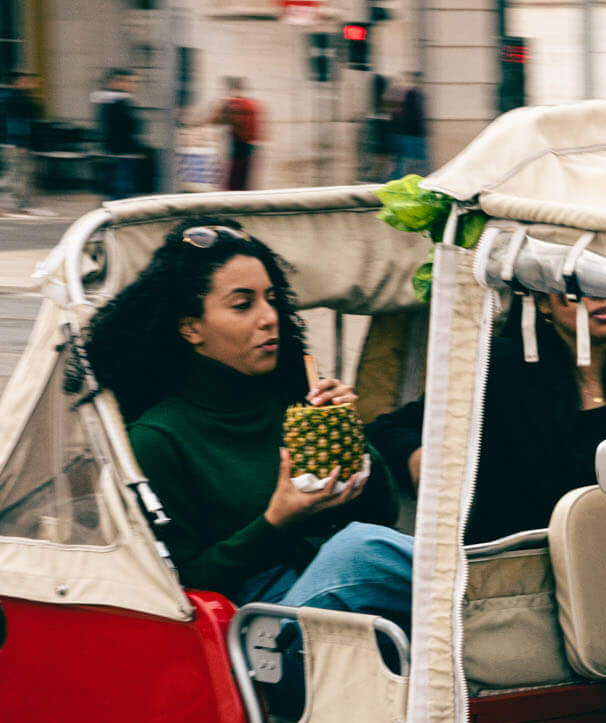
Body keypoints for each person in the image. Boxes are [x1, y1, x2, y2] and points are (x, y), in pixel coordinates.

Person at [83, 218, 413, 619]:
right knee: (360, 550)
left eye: (271, 299)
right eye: (243, 304)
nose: (268, 316)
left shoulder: (294, 402)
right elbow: (178, 588)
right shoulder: (158, 438)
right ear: (191, 328)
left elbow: (383, 513)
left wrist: (349, 436)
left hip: (341, 604)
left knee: (375, 545)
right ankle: (482, 593)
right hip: (252, 634)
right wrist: (275, 522)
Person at [367, 291, 606, 544]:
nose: (601, 294)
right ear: (542, 301)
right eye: (578, 285)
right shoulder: (498, 367)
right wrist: (418, 456)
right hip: (518, 565)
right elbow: (387, 430)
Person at [93, 69, 147, 199]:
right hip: (122, 153)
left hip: (119, 152)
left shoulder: (110, 100)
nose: (133, 85)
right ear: (116, 82)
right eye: (129, 81)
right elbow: (123, 128)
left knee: (118, 187)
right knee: (121, 188)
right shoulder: (117, 102)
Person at [0, 72, 47, 215]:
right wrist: (20, 143)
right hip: (16, 144)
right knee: (14, 176)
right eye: (26, 81)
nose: (30, 84)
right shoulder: (15, 99)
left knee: (21, 177)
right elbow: (16, 124)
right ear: (18, 82)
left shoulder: (16, 98)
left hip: (16, 143)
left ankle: (23, 205)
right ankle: (23, 205)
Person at [210, 77, 263, 192]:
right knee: (243, 183)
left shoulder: (234, 105)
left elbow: (216, 120)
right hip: (249, 148)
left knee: (234, 185)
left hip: (238, 148)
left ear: (231, 89)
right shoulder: (252, 104)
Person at [389, 73, 427, 177]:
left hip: (406, 134)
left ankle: (392, 180)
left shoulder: (410, 94)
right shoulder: (413, 94)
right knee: (409, 163)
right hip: (411, 135)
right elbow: (412, 116)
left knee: (402, 162)